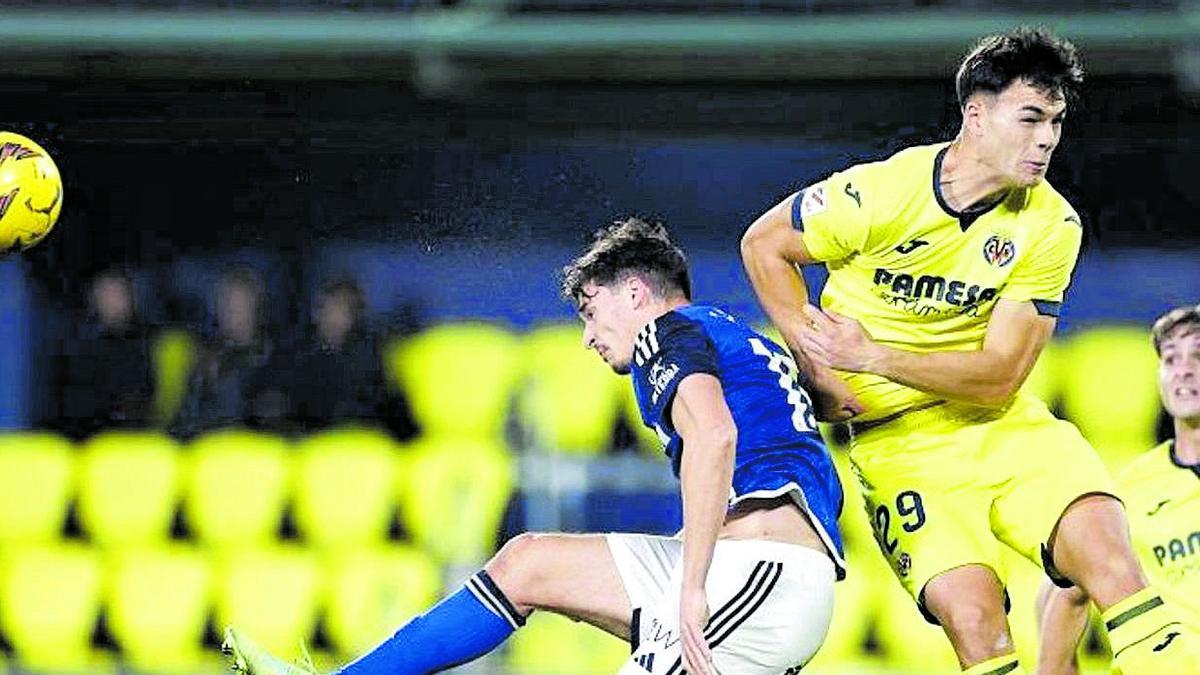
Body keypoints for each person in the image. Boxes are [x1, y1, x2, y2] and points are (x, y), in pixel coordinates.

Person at [740, 26, 1198, 675]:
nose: (1046, 139)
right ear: (977, 115)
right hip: (900, 447)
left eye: (1057, 122)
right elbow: (764, 245)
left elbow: (999, 379)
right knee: (979, 627)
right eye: (1031, 118)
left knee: (1115, 569)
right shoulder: (881, 194)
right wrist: (812, 355)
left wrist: (872, 356)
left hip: (1002, 425)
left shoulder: (1050, 225)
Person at [223, 217, 846, 674]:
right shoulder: (730, 336)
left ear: (635, 294)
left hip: (758, 576)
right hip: (759, 570)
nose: (587, 336)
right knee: (528, 564)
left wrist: (690, 587)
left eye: (590, 310)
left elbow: (716, 436)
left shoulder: (667, 332)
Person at [1036, 303, 1200, 674]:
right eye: (1171, 359)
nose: (1184, 371)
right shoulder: (1122, 493)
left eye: (1198, 357)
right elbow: (1061, 594)